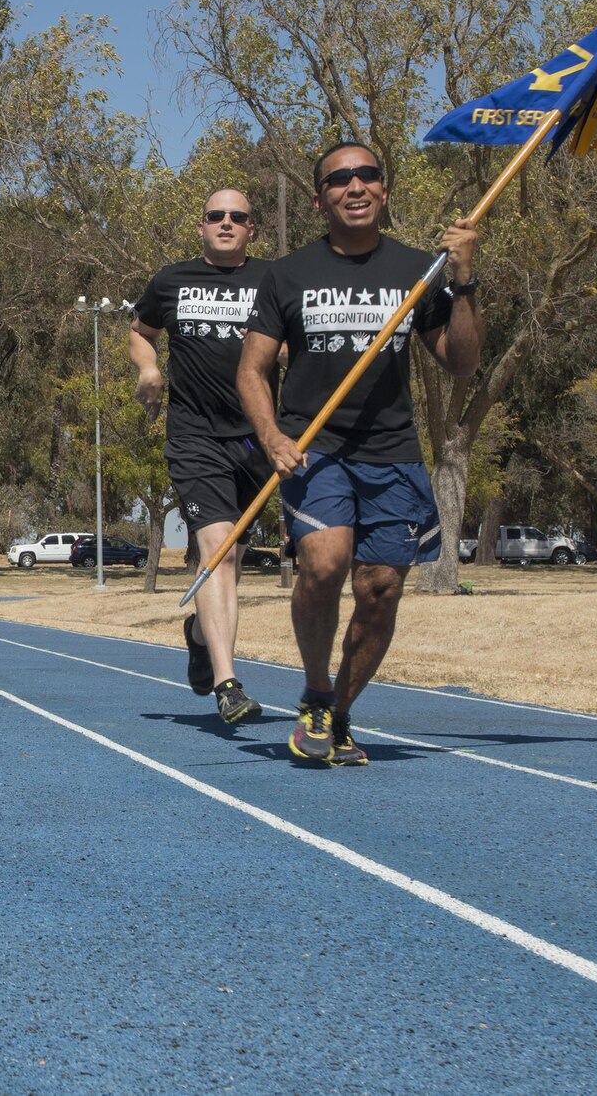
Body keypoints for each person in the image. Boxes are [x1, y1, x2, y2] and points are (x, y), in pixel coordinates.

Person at [239, 142, 481, 766]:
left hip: (392, 453)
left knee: (380, 590)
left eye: (367, 175)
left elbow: (462, 363)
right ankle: (316, 693)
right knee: (324, 563)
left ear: (383, 189)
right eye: (339, 179)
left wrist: (463, 282)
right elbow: (252, 371)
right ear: (320, 198)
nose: (355, 186)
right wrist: (271, 436)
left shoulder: (417, 270)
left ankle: (339, 714)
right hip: (312, 447)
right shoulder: (285, 274)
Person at [129, 191, 272, 726]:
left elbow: (295, 346)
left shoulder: (272, 281)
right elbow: (140, 333)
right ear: (202, 226)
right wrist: (148, 370)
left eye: (238, 217)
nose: (227, 223)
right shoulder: (171, 280)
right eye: (217, 216)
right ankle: (227, 684)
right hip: (195, 437)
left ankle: (197, 632)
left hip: (256, 439)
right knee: (220, 552)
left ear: (251, 230)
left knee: (243, 557)